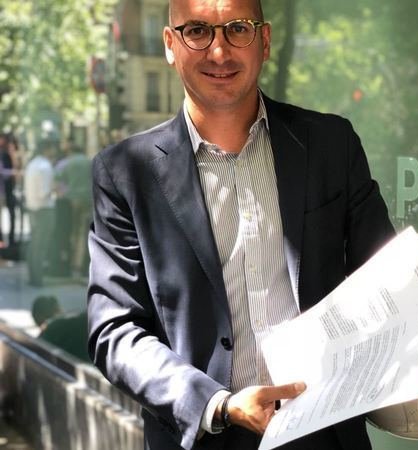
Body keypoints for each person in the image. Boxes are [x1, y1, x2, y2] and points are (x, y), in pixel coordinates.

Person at [87, 1, 395, 449]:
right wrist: (217, 404)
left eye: (237, 29)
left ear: (264, 41)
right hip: (203, 434)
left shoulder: (331, 145)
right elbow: (115, 330)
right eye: (197, 31)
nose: (219, 51)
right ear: (170, 45)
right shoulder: (124, 173)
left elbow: (383, 277)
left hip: (326, 433)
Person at [54, 143, 92, 276]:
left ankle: (72, 263)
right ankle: (82, 263)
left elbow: (59, 180)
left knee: (73, 231)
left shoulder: (67, 163)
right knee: (85, 231)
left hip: (72, 200)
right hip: (87, 199)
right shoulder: (89, 161)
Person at [24, 143, 56, 287]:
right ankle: (37, 279)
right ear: (47, 150)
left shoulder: (32, 165)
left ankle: (33, 277)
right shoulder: (45, 166)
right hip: (44, 209)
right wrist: (55, 188)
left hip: (32, 208)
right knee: (41, 245)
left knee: (34, 245)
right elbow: (44, 192)